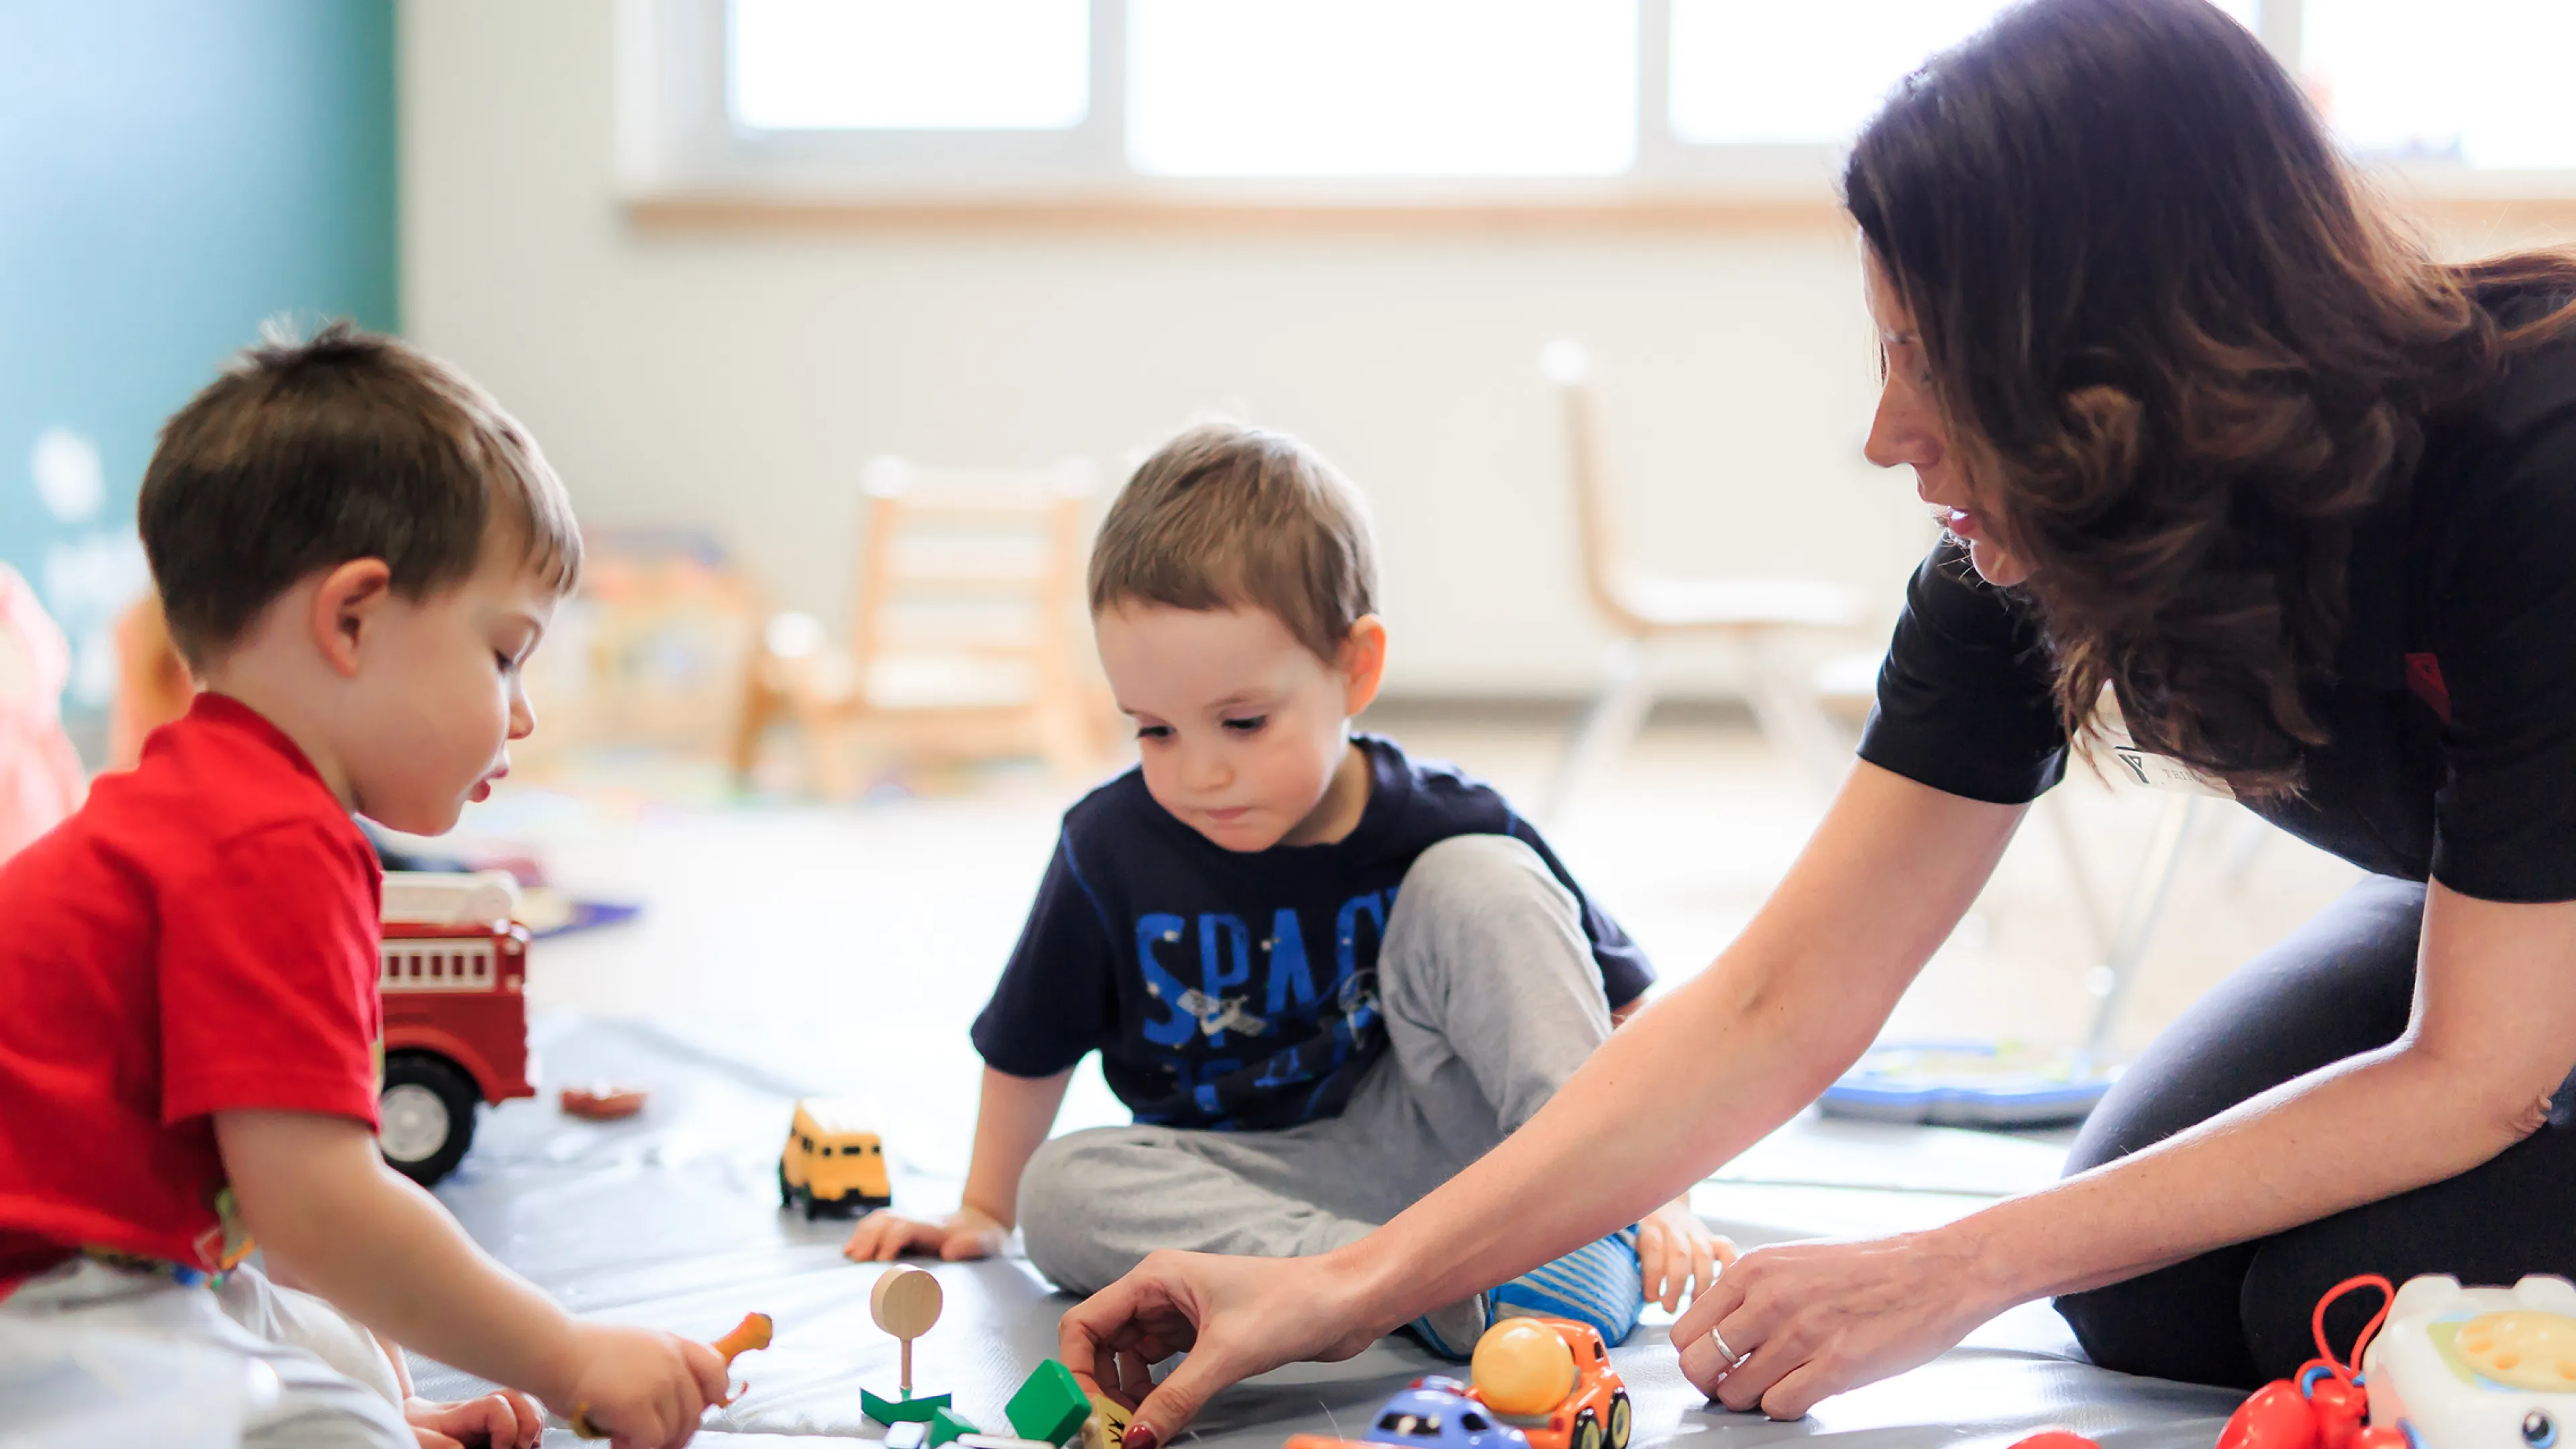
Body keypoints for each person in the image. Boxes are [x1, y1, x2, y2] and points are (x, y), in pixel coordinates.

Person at [1053, 0, 2576, 1436]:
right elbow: (1782, 1002)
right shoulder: (2023, 556)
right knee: (2136, 1284)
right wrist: (1344, 1289)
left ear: (2125, 360)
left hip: (2508, 1016)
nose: (1884, 433)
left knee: (2342, 1294)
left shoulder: (2533, 482)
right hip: (2526, 938)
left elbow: (2476, 1072)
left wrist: (1953, 1265)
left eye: (1932, 358)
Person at [841, 423, 1728, 1354]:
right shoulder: (1108, 848)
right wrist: (983, 1207)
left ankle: (1584, 1219)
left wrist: (1665, 1195)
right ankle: (1413, 1284)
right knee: (1059, 1191)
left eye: (1243, 722)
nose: (1199, 775)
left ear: (1356, 668)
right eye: (1154, 731)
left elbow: (1619, 1019)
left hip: (1457, 1157)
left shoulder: (1449, 815)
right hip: (1253, 1190)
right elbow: (1028, 1048)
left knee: (1487, 880)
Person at [0, 323, 731, 1448]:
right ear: (353, 619)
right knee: (336, 1405)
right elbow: (318, 1210)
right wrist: (569, 1355)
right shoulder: (267, 845)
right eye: (504, 653)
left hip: (138, 1262)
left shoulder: (216, 798)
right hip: (44, 1304)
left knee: (343, 1354)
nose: (521, 714)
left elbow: (282, 1227)